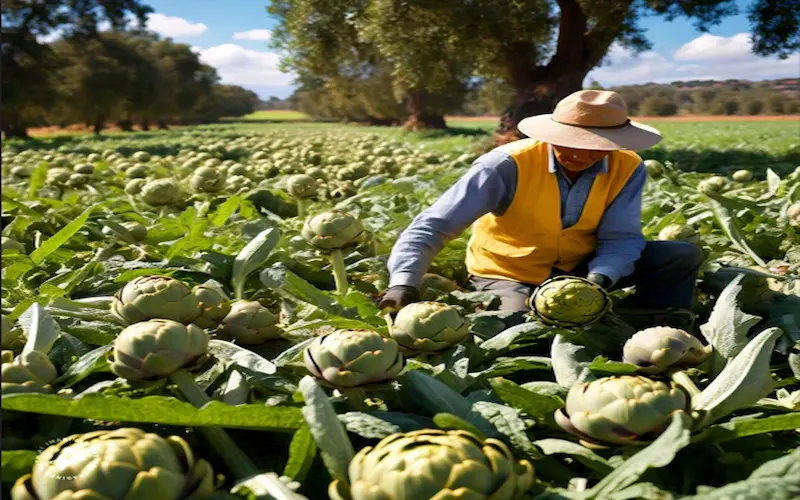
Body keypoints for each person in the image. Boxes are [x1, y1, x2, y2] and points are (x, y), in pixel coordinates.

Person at [378, 90, 703, 330]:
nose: (580, 152)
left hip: (582, 266)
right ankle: (502, 305)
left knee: (680, 255)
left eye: (595, 145)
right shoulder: (506, 165)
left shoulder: (628, 167)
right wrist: (403, 283)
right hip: (509, 270)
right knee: (518, 329)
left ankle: (652, 328)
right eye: (570, 140)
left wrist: (596, 282)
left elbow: (621, 238)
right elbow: (433, 226)